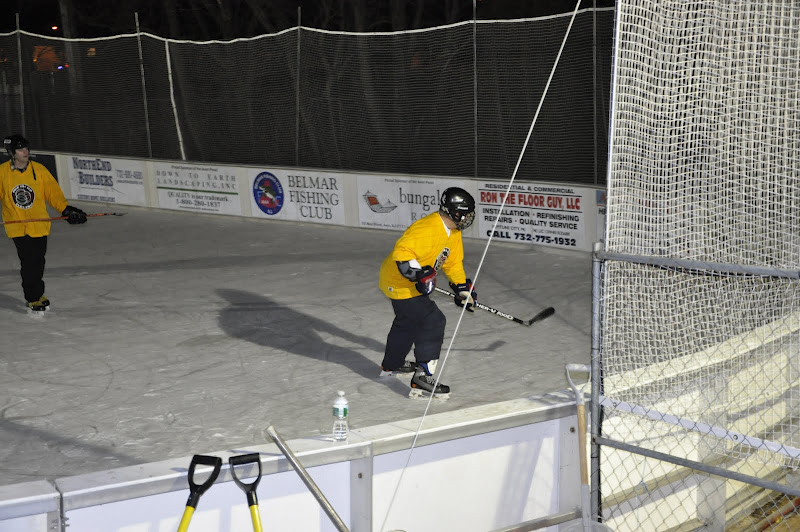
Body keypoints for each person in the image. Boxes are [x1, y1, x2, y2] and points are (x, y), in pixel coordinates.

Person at [378, 187, 478, 398]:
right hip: (399, 283)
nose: (469, 218)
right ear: (454, 212)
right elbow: (402, 252)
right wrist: (417, 274)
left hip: (408, 284)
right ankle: (422, 376)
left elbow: (452, 262)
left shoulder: (453, 232)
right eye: (466, 213)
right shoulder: (427, 228)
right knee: (433, 320)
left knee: (407, 322)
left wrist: (461, 287)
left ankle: (392, 364)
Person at [1, 134, 87, 312]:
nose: (25, 152)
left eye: (26, 148)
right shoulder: (2, 173)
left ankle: (38, 293)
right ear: (12, 153)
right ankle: (32, 298)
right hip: (18, 226)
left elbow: (52, 193)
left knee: (38, 261)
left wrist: (66, 210)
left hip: (39, 225)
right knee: (29, 262)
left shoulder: (39, 170)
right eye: (20, 149)